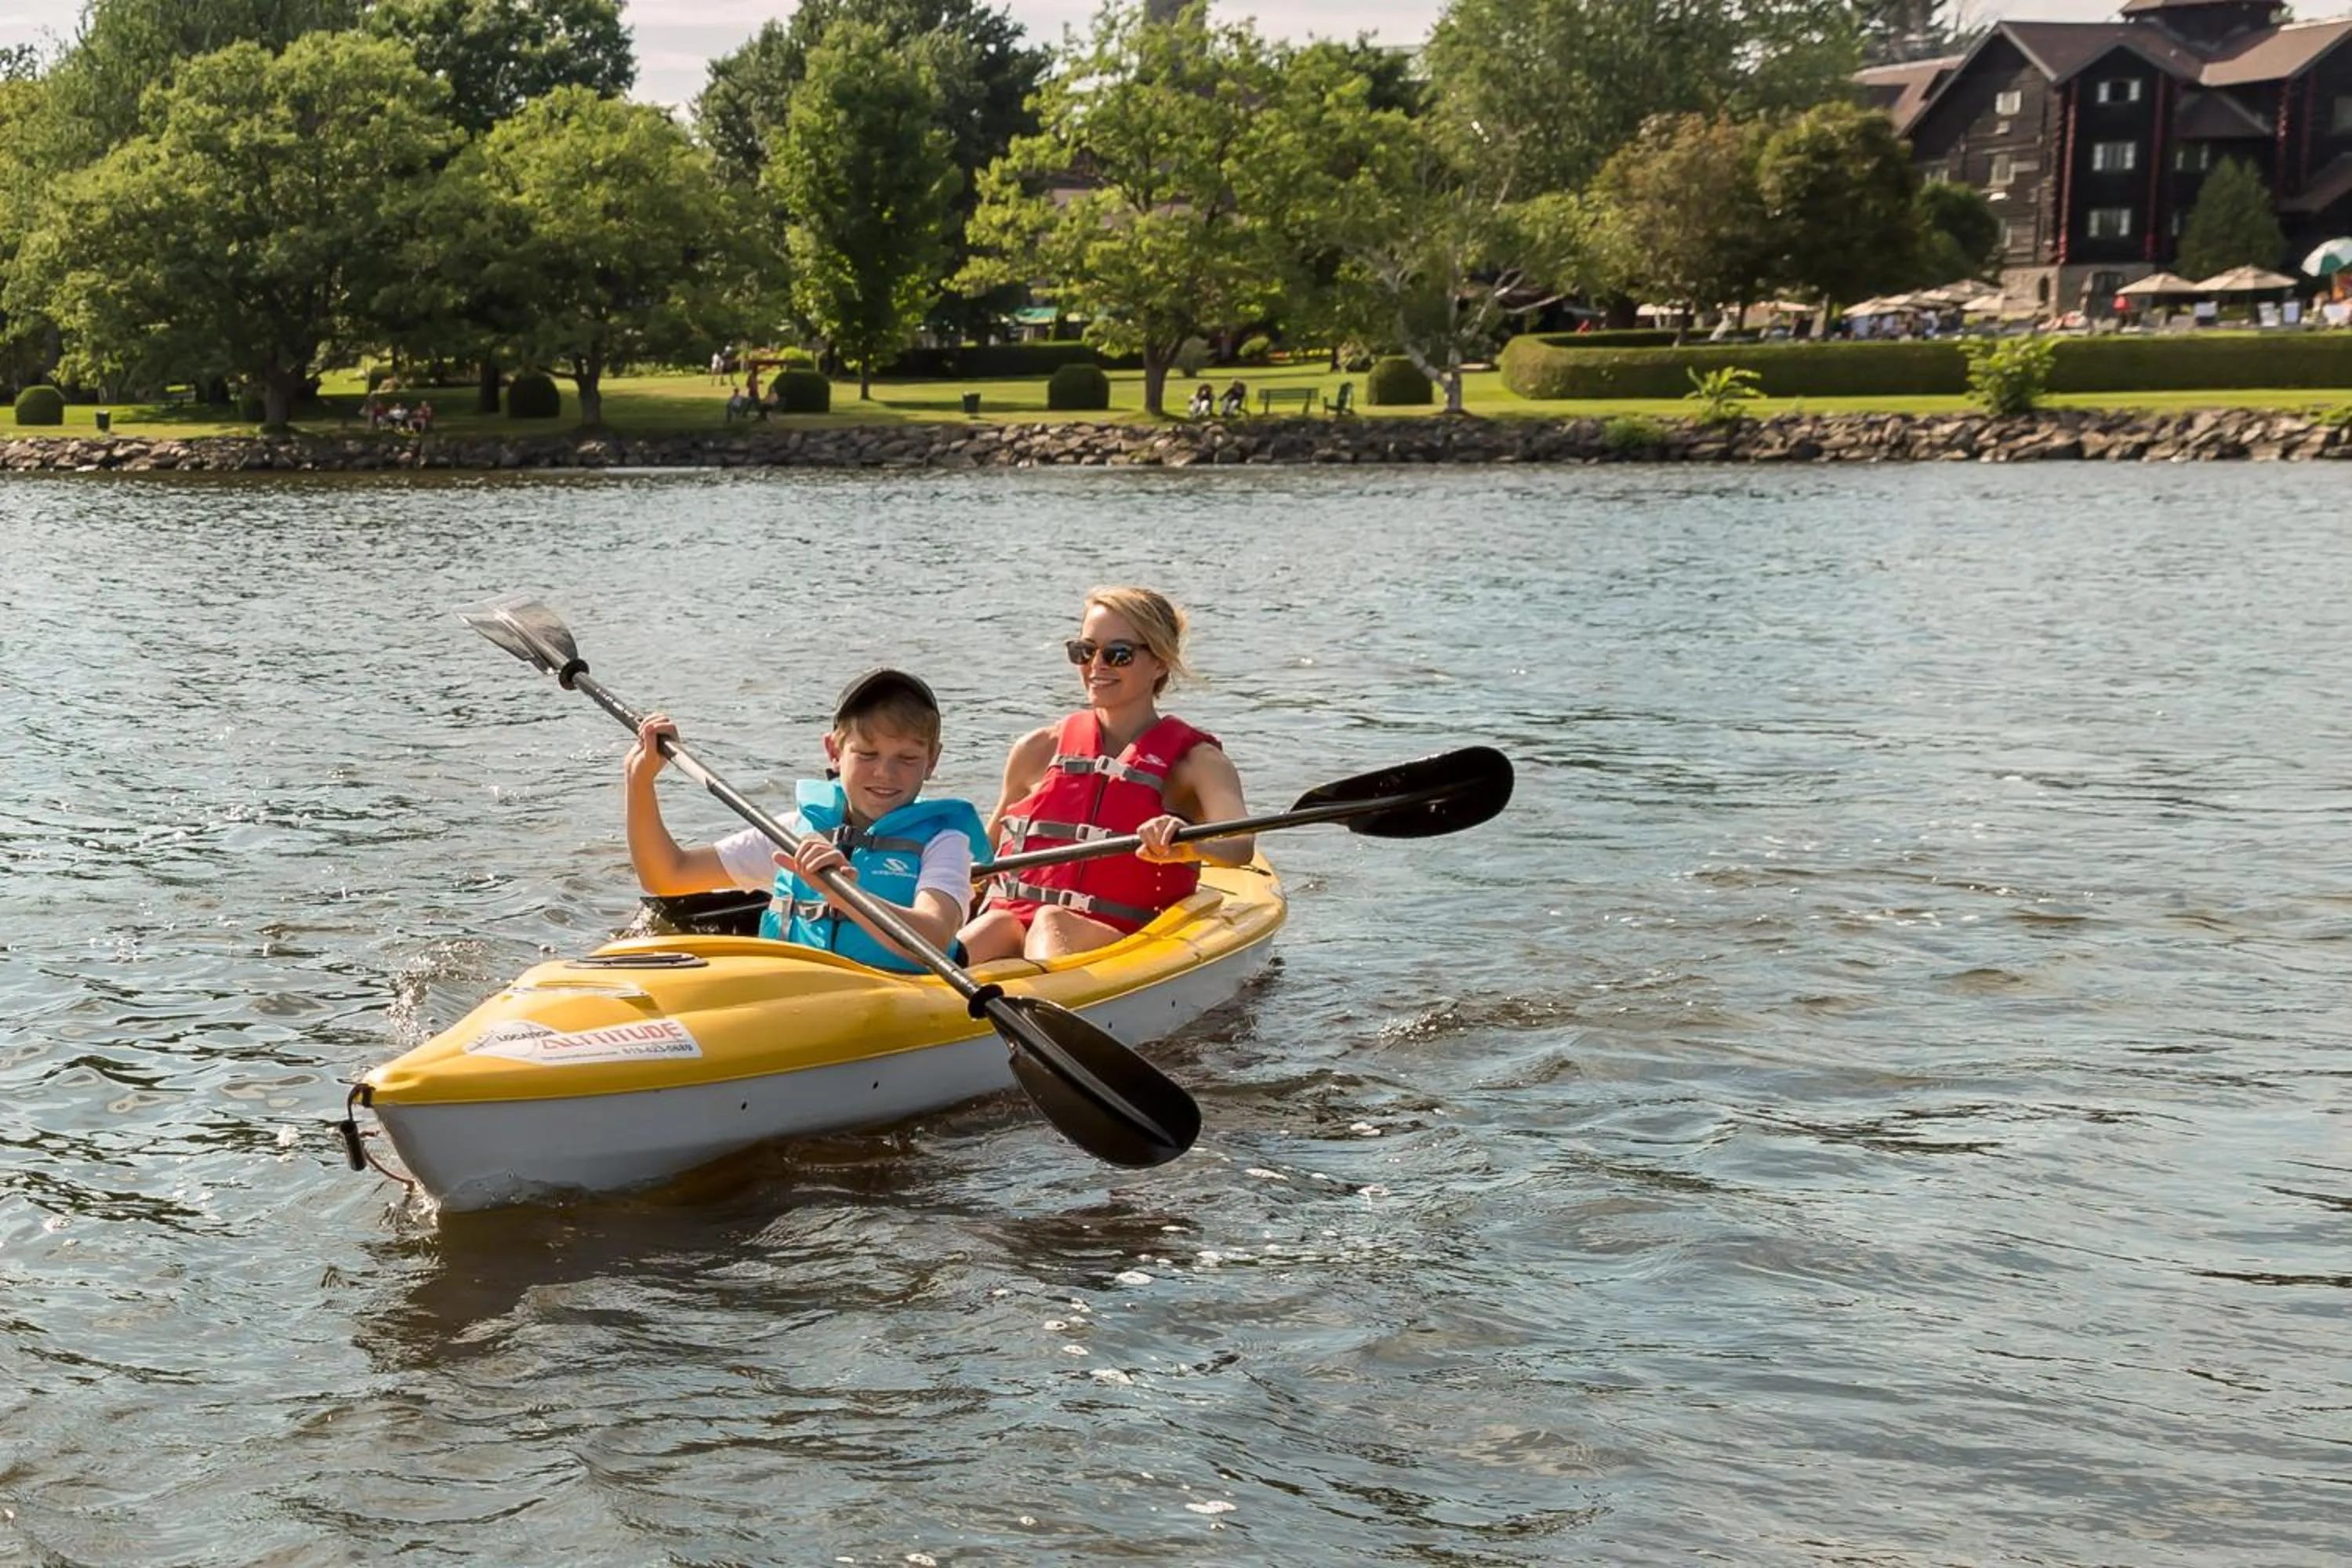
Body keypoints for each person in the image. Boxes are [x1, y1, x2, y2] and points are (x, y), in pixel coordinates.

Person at [958, 586, 1254, 965]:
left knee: (1051, 922)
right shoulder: (1036, 750)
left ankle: (1050, 1006)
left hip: (1123, 942)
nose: (1096, 666)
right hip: (1016, 923)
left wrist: (1189, 845)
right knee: (994, 925)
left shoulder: (1197, 763)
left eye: (1118, 654)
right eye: (1084, 651)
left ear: (1160, 662)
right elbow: (985, 858)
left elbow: (1240, 844)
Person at [625, 670, 989, 971]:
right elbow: (667, 876)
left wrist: (843, 896)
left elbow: (935, 937)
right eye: (866, 753)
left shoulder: (944, 841)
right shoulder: (793, 832)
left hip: (899, 999)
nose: (884, 772)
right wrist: (640, 782)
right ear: (834, 751)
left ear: (932, 762)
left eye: (907, 758)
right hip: (797, 996)